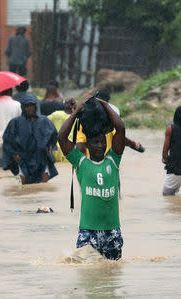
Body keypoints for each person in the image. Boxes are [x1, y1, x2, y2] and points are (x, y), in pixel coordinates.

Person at [57, 97, 125, 260]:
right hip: (88, 231)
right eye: (95, 142)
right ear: (87, 144)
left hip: (112, 231)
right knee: (86, 275)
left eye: (102, 142)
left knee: (112, 273)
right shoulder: (80, 162)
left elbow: (120, 129)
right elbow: (61, 137)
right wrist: (75, 113)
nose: (100, 146)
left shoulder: (113, 160)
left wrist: (104, 104)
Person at [2, 97, 58, 184]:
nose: (29, 108)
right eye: (27, 106)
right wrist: (14, 155)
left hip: (41, 156)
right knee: (25, 182)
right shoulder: (15, 122)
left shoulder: (44, 121)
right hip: (23, 157)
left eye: (32, 105)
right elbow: (8, 140)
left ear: (35, 107)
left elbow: (53, 135)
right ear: (23, 108)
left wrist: (51, 147)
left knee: (44, 182)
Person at [76, 88, 145, 155]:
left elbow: (80, 146)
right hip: (108, 160)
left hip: (90, 162)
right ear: (108, 100)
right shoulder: (110, 117)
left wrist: (79, 162)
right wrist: (134, 144)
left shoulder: (85, 122)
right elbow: (121, 136)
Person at [47, 98, 77, 162]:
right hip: (70, 149)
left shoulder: (56, 114)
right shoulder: (77, 117)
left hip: (56, 149)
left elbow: (45, 122)